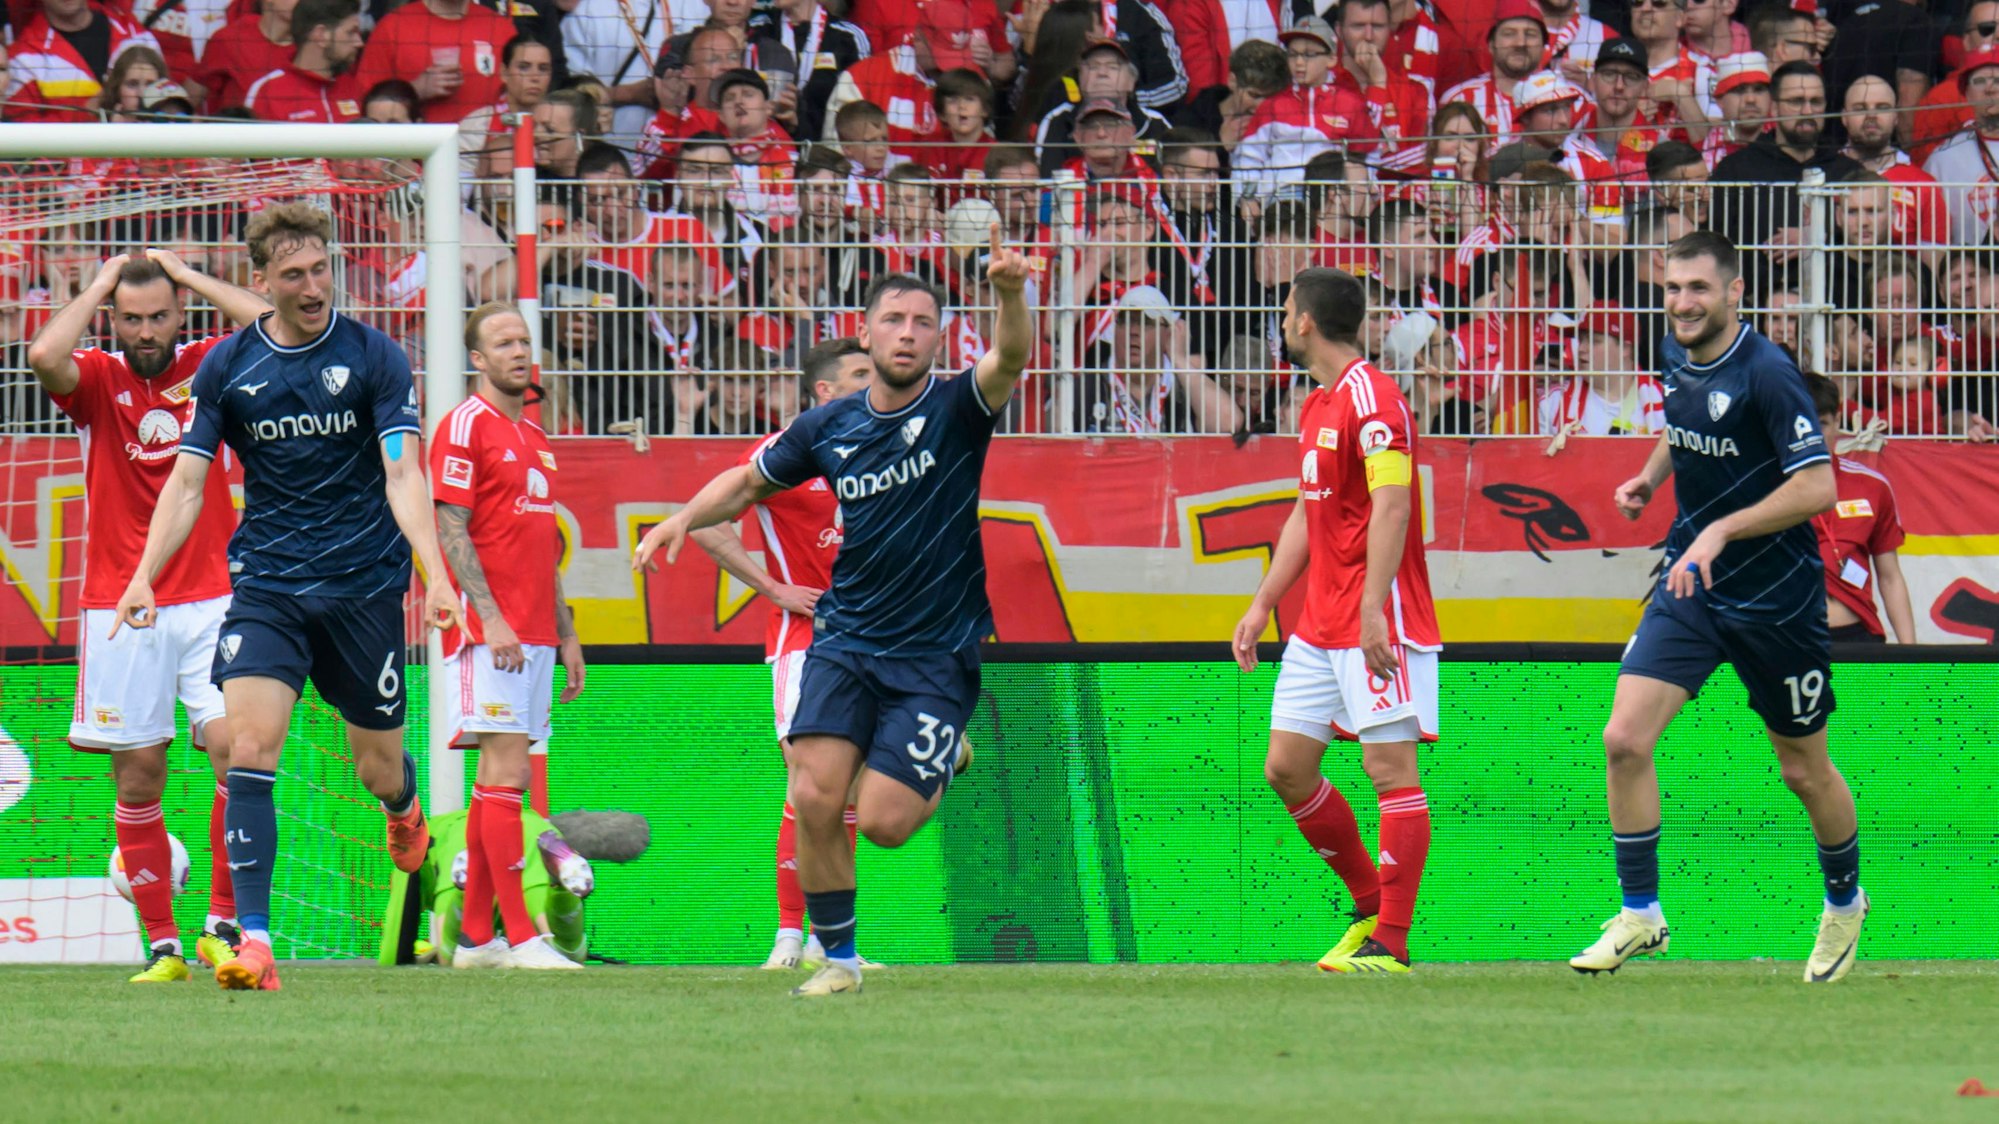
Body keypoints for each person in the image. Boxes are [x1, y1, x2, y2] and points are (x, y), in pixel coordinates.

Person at [632, 228, 1033, 997]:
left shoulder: (957, 407)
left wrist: (1009, 293)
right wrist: (681, 519)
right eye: (893, 321)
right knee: (812, 795)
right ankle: (838, 961)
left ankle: (941, 753)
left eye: (922, 323)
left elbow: (1010, 356)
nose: (907, 334)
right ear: (866, 333)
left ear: (939, 338)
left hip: (933, 649)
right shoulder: (829, 426)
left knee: (882, 823)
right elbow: (746, 483)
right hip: (844, 638)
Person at [111, 203, 463, 992]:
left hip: (364, 588)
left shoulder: (375, 356)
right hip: (268, 584)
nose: (313, 287)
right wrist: (143, 574)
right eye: (294, 274)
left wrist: (435, 574)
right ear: (262, 280)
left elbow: (403, 472)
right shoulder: (227, 368)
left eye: (321, 269)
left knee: (377, 768)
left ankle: (404, 812)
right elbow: (189, 481)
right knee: (247, 747)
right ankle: (256, 943)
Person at [1571, 230, 1864, 983]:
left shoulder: (1768, 374)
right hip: (1691, 585)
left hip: (1774, 601)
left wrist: (1722, 530)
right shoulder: (1676, 352)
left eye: (1698, 288)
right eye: (1672, 288)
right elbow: (1685, 424)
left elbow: (1818, 487)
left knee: (1803, 772)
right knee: (1623, 740)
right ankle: (1641, 913)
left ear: (1734, 292)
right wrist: (1648, 478)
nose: (1682, 302)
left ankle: (1843, 902)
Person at [27, 250, 270, 984]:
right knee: (138, 777)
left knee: (236, 750)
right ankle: (163, 945)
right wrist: (101, 283)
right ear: (113, 319)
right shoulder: (97, 378)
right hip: (120, 604)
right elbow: (42, 355)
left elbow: (270, 322)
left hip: (212, 596)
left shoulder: (208, 366)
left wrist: (186, 275)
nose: (145, 331)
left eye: (159, 316)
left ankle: (221, 925)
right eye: (131, 319)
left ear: (179, 314)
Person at [1231, 267, 1439, 974]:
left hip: (1378, 615)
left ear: (1305, 323)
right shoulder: (1319, 403)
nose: (1281, 321)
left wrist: (1373, 608)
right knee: (1286, 768)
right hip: (1320, 622)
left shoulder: (1374, 401)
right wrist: (1264, 602)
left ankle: (1392, 942)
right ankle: (1368, 907)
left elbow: (1393, 507)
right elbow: (1306, 509)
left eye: (1285, 310)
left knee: (1389, 770)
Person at [686, 338, 877, 970]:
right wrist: (772, 587)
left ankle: (830, 940)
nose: (874, 380)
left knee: (846, 794)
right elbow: (705, 519)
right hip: (807, 641)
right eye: (860, 373)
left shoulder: (884, 451)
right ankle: (789, 935)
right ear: (826, 391)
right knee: (809, 786)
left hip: (872, 641)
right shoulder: (789, 451)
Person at [430, 302, 586, 971]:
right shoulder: (465, 425)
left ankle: (475, 938)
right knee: (507, 774)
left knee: (500, 781)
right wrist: (488, 616)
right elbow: (451, 527)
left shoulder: (535, 436)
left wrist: (566, 630)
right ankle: (521, 937)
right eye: (503, 343)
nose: (519, 351)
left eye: (524, 340)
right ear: (477, 359)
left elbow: (541, 543)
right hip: (489, 630)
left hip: (536, 630)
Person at [1801, 372, 1917, 645]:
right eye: (1804, 424)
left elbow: (1890, 577)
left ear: (1837, 423)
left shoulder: (1872, 485)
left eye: (1823, 424)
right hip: (1789, 640)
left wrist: (1912, 655)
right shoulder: (1763, 489)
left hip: (1857, 637)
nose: (1814, 435)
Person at [242, 0, 364, 124]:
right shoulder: (268, 92)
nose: (359, 42)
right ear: (321, 35)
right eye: (351, 33)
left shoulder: (352, 87)